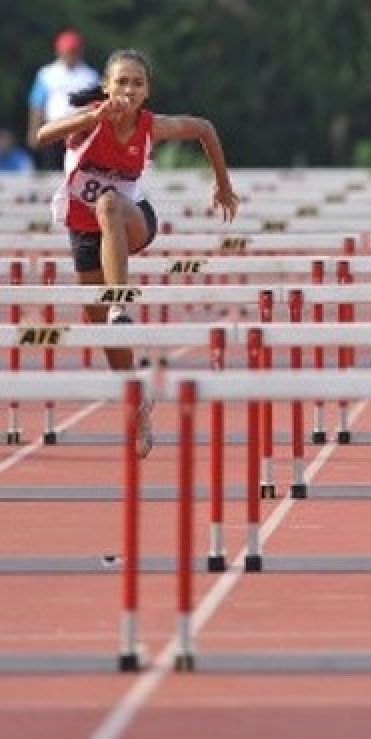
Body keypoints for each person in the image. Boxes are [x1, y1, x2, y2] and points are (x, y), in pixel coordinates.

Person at [34, 49, 239, 457]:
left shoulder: (151, 126)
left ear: (147, 92)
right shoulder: (88, 122)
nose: (128, 90)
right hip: (85, 232)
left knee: (109, 202)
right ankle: (137, 402)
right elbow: (43, 136)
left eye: (137, 83)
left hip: (133, 220)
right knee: (107, 335)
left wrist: (223, 185)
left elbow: (205, 129)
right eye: (121, 82)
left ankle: (118, 303)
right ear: (108, 87)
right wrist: (93, 117)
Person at [27, 29, 101, 170]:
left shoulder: (90, 76)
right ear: (59, 51)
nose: (70, 55)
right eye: (67, 51)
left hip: (81, 129)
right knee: (52, 168)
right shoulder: (47, 74)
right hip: (54, 128)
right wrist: (34, 130)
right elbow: (37, 104)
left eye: (74, 51)